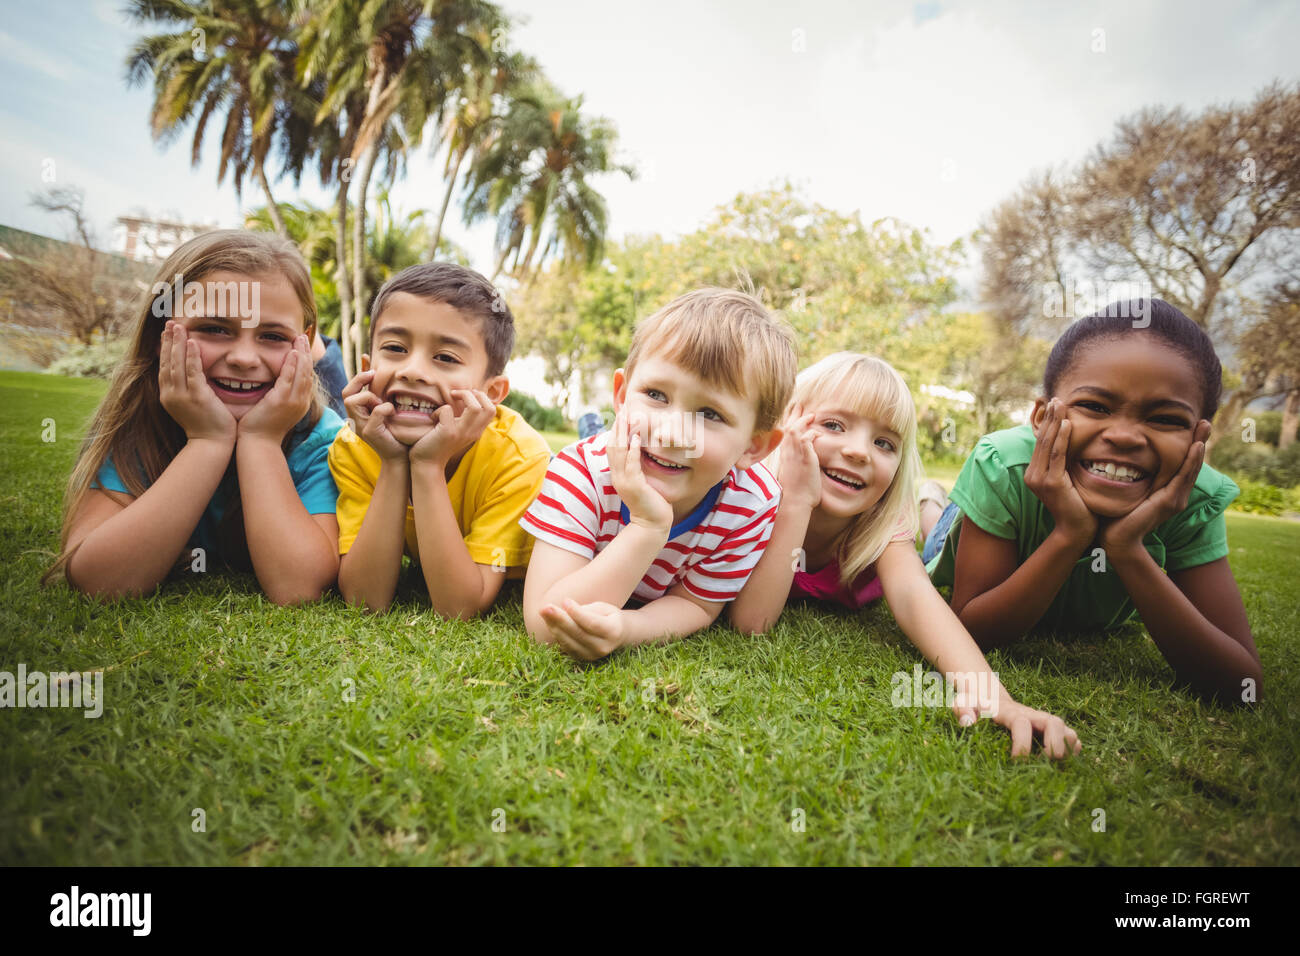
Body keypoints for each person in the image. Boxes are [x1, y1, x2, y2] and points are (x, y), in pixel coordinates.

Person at [729, 353, 1081, 758]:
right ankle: (932, 504)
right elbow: (752, 626)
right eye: (833, 425)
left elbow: (916, 595)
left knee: (937, 540)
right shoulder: (745, 499)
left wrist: (994, 697)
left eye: (884, 443)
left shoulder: (882, 521)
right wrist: (797, 501)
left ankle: (931, 501)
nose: (859, 452)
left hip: (924, 538)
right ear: (787, 425)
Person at [924, 299, 1262, 701]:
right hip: (958, 531)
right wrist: (1071, 534)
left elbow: (1243, 686)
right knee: (937, 533)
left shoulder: (1196, 499)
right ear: (1040, 418)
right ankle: (930, 500)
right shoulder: (1003, 465)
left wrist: (1127, 548)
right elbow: (972, 630)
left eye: (1165, 419)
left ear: (1198, 437)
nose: (1125, 436)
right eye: (1095, 407)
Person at [44, 230, 344, 605]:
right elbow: (98, 581)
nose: (244, 358)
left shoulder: (320, 439)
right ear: (160, 334)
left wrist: (261, 441)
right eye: (214, 329)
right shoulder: (141, 424)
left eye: (272, 336)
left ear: (305, 341)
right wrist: (208, 441)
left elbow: (299, 588)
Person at [520, 288, 796, 660]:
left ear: (754, 446)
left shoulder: (751, 503)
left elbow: (696, 605)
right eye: (656, 395)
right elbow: (545, 626)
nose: (669, 432)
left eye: (710, 415)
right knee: (611, 445)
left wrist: (629, 628)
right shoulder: (580, 472)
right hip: (610, 463)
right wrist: (648, 526)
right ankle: (594, 426)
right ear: (621, 394)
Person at [329, 263, 550, 617]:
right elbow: (364, 600)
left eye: (445, 357)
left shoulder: (519, 458)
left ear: (492, 392)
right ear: (367, 366)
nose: (412, 370)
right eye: (395, 348)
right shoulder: (355, 445)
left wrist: (428, 465)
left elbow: (460, 607)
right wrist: (393, 461)